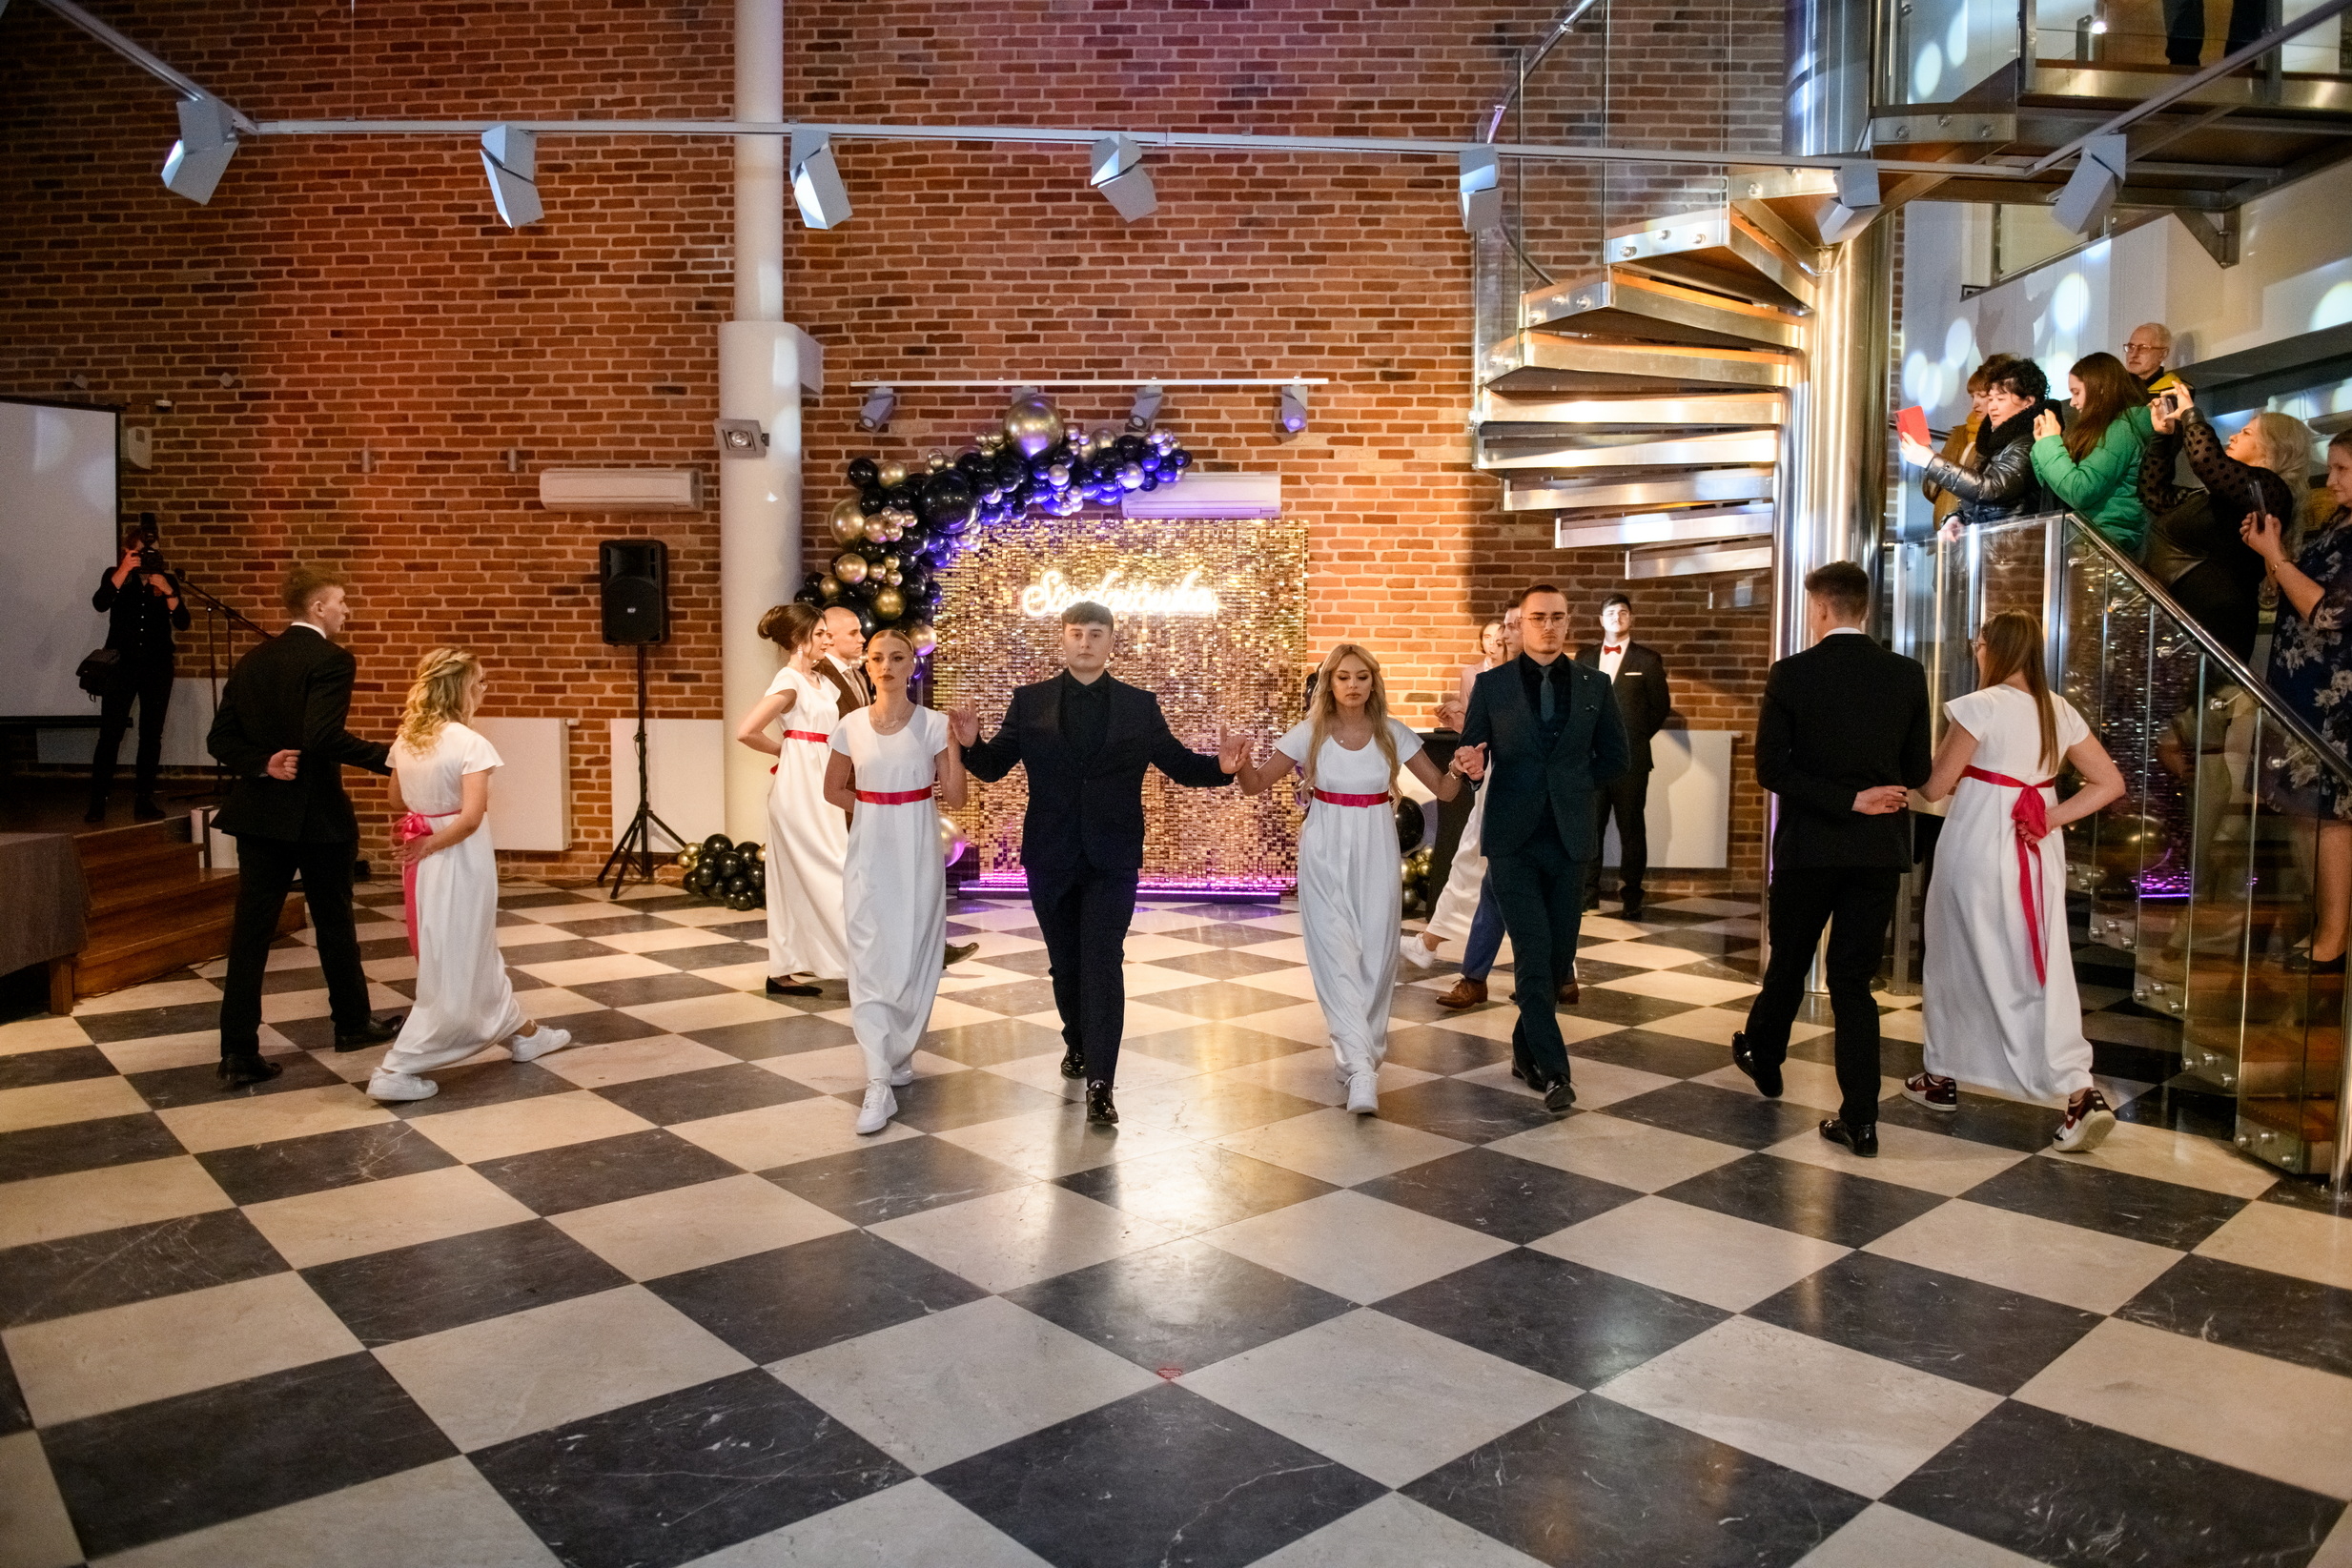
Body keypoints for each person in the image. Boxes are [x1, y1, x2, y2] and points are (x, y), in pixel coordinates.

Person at [950, 601, 1243, 1126]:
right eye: (1076, 633)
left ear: (1111, 642)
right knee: (1065, 964)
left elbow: (1178, 764)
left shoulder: (1138, 705)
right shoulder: (1030, 701)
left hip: (1113, 855)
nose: (1084, 642)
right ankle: (1077, 1040)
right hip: (1050, 853)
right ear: (1062, 640)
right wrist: (972, 745)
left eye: (1095, 633)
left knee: (1103, 962)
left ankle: (1101, 1083)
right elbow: (994, 768)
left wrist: (1219, 769)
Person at [1731, 562, 1932, 1159]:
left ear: (1819, 608)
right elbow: (1917, 771)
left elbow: (1771, 769)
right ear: (1864, 608)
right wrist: (1870, 795)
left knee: (1790, 961)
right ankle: (1861, 1120)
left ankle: (1764, 1054)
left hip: (1810, 848)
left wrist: (1845, 799)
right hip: (1877, 851)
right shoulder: (1906, 673)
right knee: (1853, 983)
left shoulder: (1791, 673)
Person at [1910, 612, 2127, 1151]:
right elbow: (2109, 783)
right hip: (2037, 848)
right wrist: (2051, 817)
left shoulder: (1979, 706)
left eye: (1978, 643)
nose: (1976, 651)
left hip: (1978, 847)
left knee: (1956, 955)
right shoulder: (2058, 709)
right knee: (2036, 959)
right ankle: (2063, 1084)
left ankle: (1948, 1075)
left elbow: (1934, 786)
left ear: (1993, 648)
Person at [1238, 643, 1483, 1113]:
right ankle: (1361, 1070)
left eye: (1362, 677)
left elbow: (1446, 790)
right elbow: (1255, 784)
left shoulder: (1392, 732)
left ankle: (1360, 1056)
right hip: (1324, 847)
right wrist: (1239, 764)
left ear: (1374, 683)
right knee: (1335, 955)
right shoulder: (1309, 732)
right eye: (1343, 677)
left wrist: (1459, 767)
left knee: (1377, 956)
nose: (1353, 685)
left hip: (1377, 846)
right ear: (1329, 683)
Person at [206, 566, 403, 1087]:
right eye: (341, 601)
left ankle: (237, 1051)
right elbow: (321, 737)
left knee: (250, 933)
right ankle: (352, 1024)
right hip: (316, 815)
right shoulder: (332, 659)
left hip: (260, 814)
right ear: (318, 608)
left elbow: (219, 740)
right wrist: (394, 758)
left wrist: (262, 763)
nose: (346, 610)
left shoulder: (253, 660)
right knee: (334, 922)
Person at [367, 650, 573, 1101]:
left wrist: (424, 833)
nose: (484, 690)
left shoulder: (407, 740)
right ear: (460, 688)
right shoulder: (469, 742)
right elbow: (472, 817)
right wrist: (432, 841)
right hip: (459, 855)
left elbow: (396, 801)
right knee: (458, 954)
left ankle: (523, 1033)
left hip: (426, 856)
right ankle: (399, 1066)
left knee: (466, 946)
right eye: (480, 682)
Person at [1461, 583, 1628, 1111]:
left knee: (1558, 959)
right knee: (1533, 952)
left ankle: (1523, 1050)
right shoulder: (1493, 685)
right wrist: (1471, 767)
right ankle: (1556, 1072)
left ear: (1567, 622)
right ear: (1521, 623)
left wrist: (1570, 786)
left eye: (1557, 617)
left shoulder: (1595, 683)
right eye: (1538, 617)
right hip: (1513, 839)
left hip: (1570, 837)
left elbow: (1617, 757)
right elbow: (1473, 752)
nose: (1549, 626)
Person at [827, 625, 968, 1134]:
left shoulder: (934, 724)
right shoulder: (850, 725)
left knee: (913, 955)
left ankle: (899, 1050)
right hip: (869, 851)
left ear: (912, 665)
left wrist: (956, 747)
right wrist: (874, 808)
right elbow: (832, 789)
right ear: (867, 665)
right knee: (868, 955)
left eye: (897, 657)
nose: (886, 666)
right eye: (877, 657)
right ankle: (877, 1080)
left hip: (918, 849)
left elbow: (956, 797)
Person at [2243, 431, 2352, 974]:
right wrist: (2273, 552)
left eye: (2342, 470)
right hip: (2299, 681)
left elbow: (2328, 613)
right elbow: (2285, 591)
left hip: (2335, 692)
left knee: (2330, 815)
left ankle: (2334, 936)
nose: (2330, 480)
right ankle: (2330, 925)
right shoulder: (2337, 524)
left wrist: (2277, 557)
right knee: (2306, 814)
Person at [2139, 395, 2311, 662]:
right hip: (2179, 620)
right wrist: (2163, 436)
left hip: (2213, 626)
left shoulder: (2271, 491)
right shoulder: (2218, 498)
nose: (2232, 436)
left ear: (2272, 448)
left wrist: (2190, 415)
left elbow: (2205, 460)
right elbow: (2154, 494)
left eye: (2246, 433)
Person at [734, 602, 849, 996]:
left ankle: (791, 965)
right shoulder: (789, 680)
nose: (827, 639)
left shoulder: (820, 682)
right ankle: (854, 961)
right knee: (831, 868)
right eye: (820, 634)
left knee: (817, 872)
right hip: (798, 789)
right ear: (800, 639)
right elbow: (747, 730)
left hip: (822, 781)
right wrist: (784, 750)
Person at [1409, 606, 1517, 996]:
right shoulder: (1490, 680)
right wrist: (1463, 727)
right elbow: (1484, 739)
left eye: (1515, 626)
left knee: (1488, 872)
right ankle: (1443, 954)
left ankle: (1559, 971)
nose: (1506, 635)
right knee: (1473, 865)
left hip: (1527, 793)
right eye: (1506, 627)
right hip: (1493, 786)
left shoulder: (1549, 681)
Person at [1575, 593, 1671, 918]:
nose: (1617, 617)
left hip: (1632, 761)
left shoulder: (1648, 660)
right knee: (1590, 827)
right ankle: (1588, 893)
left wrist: (1634, 739)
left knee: (1631, 828)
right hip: (1592, 760)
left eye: (1623, 612)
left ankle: (1632, 894)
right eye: (1611, 612)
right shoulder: (1584, 658)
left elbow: (1660, 708)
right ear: (1600, 620)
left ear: (1631, 619)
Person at [87, 524, 191, 823]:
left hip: (157, 668)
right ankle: (98, 800)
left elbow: (182, 622)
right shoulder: (116, 575)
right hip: (122, 667)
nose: (148, 556)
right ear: (128, 552)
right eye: (141, 552)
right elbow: (100, 602)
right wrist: (124, 569)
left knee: (151, 735)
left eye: (153, 552)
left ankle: (144, 799)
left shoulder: (166, 580)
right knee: (110, 733)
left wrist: (169, 591)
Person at [1901, 356, 2061, 539]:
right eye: (1990, 399)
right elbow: (1981, 503)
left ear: (2028, 402)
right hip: (1988, 547)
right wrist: (1957, 517)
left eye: (2000, 399)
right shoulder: (1995, 441)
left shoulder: (2029, 440)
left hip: (2013, 549)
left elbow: (1992, 488)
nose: (1992, 407)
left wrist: (1930, 460)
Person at [2032, 352, 2151, 554]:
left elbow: (2079, 491)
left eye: (2076, 392)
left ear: (2100, 389)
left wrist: (2050, 443)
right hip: (2089, 537)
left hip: (2104, 542)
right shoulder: (2102, 429)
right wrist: (2043, 444)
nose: (2072, 402)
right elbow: (2057, 487)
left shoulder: (2120, 429)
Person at [1920, 357, 2010, 531]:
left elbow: (1984, 488)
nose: (1975, 403)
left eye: (1982, 396)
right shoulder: (1959, 434)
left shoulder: (1998, 438)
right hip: (1946, 527)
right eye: (1972, 396)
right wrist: (1930, 460)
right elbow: (1933, 491)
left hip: (1972, 529)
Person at [2122, 322, 2178, 395]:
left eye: (2143, 348)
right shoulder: (2116, 387)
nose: (2133, 354)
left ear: (2162, 354)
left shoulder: (2173, 392)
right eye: (2131, 347)